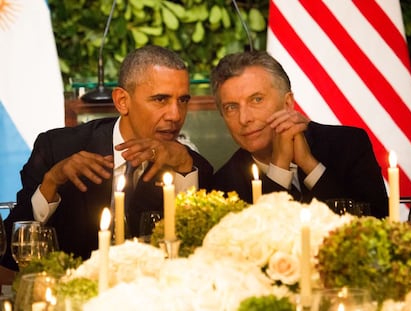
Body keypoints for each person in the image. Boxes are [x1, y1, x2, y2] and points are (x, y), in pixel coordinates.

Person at [0, 45, 214, 275]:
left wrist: (183, 167)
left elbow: (201, 253)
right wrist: (51, 183)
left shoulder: (190, 166)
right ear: (122, 101)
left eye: (182, 100)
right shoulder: (58, 148)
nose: (175, 115)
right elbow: (9, 254)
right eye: (160, 99)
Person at [210, 50, 388, 218]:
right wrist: (279, 168)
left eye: (256, 99)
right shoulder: (223, 187)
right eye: (231, 107)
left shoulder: (349, 144)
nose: (244, 118)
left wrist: (309, 164)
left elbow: (376, 223)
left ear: (287, 103)